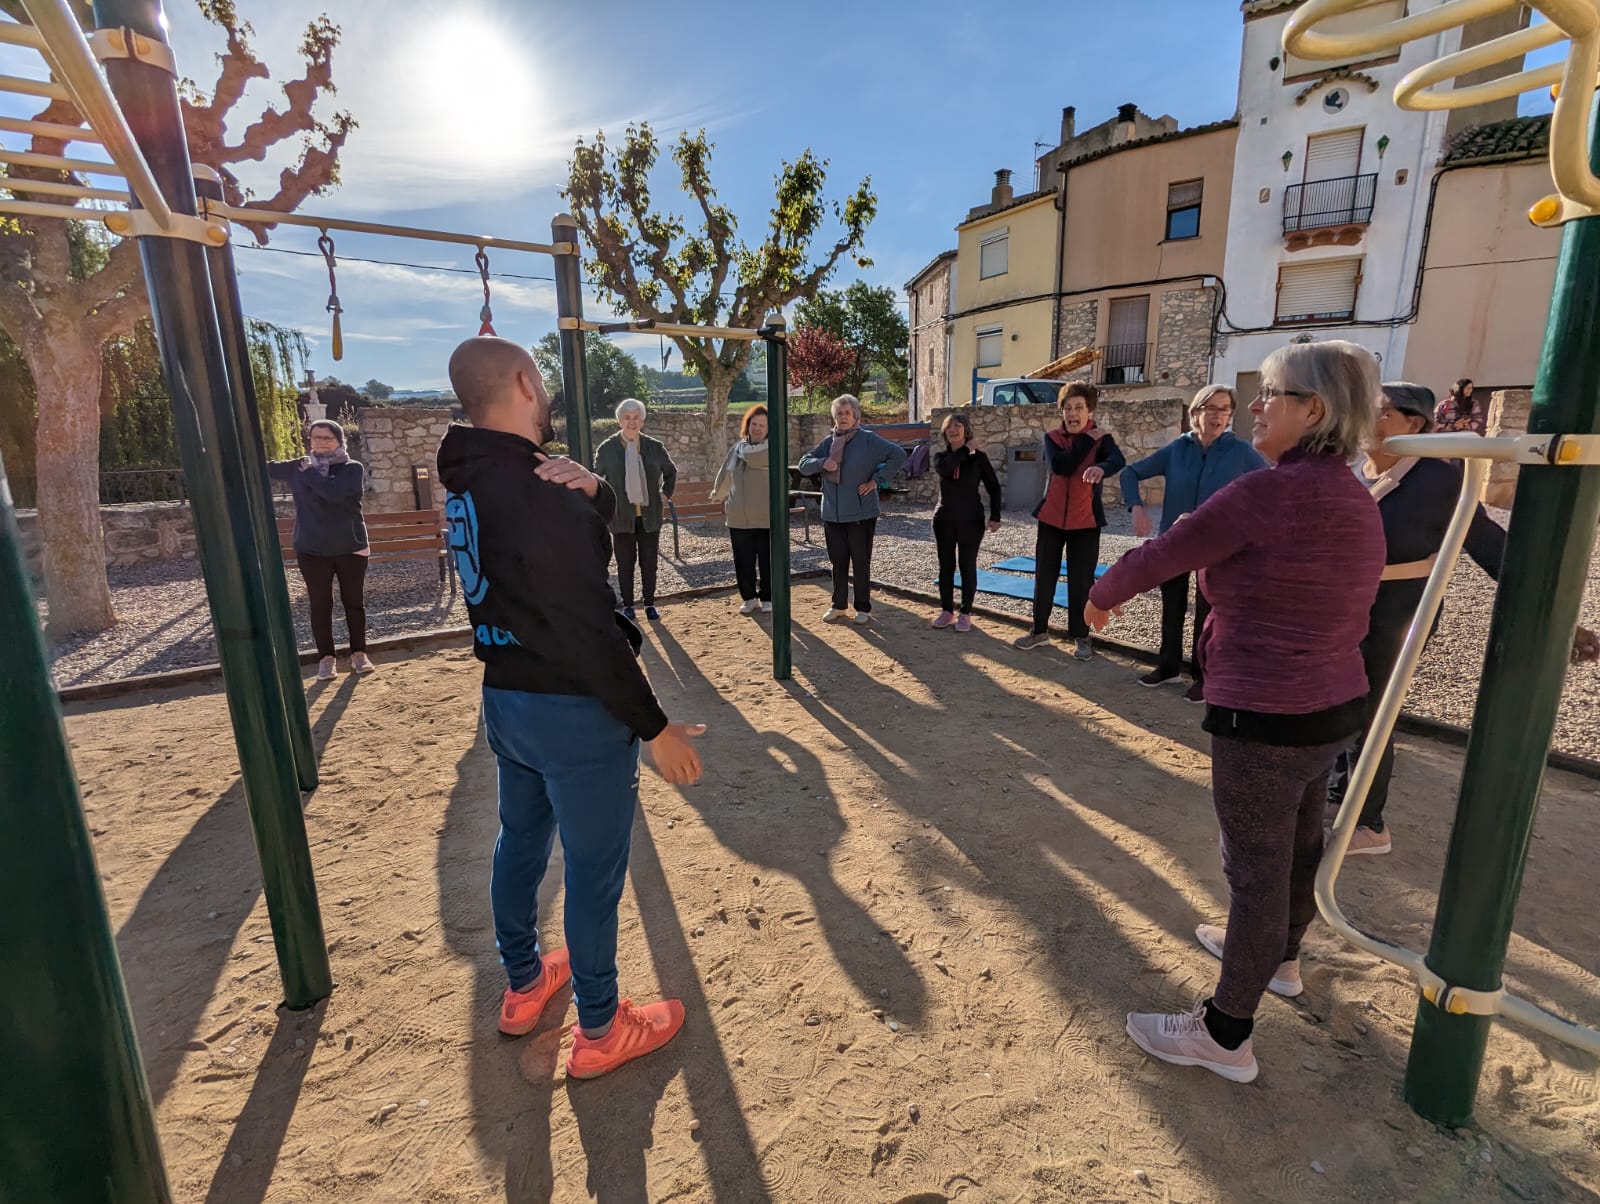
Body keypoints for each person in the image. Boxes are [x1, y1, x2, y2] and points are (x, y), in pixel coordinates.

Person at [1085, 340, 1387, 1084]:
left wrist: (1099, 596)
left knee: (1254, 871)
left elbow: (1172, 548)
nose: (1255, 404)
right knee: (1298, 849)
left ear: (1312, 410)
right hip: (1333, 705)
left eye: (1271, 392)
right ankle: (1280, 960)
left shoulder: (1268, 491)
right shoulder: (1355, 495)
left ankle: (1224, 1033)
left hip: (1266, 710)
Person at [436, 337, 705, 1079]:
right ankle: (598, 1028)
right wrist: (654, 726)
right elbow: (586, 621)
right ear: (525, 382)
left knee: (518, 842)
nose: (548, 396)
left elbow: (545, 566)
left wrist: (598, 493)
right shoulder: (535, 487)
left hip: (507, 698)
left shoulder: (471, 477)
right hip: (571, 710)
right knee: (592, 870)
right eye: (544, 382)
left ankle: (523, 984)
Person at [1325, 383, 1600, 856]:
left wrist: (1560, 618)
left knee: (1371, 711)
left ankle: (1369, 825)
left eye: (1381, 413)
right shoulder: (1354, 471)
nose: (1367, 420)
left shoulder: (1441, 480)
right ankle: (1342, 791)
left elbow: (1491, 548)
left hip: (1398, 614)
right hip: (1343, 611)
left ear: (1415, 424)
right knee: (1338, 703)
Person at [1120, 385, 1267, 700]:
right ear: (1195, 412)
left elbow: (1271, 486)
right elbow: (1130, 473)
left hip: (1217, 547)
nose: (1218, 416)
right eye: (1211, 408)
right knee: (1171, 607)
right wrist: (1135, 506)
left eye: (1225, 409)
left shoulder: (1240, 452)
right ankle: (1168, 667)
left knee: (1208, 612)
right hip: (1175, 543)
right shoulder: (1177, 449)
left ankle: (1203, 676)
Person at [1012, 381, 1126, 660]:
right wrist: (1087, 439)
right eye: (1068, 408)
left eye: (1079, 407)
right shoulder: (1052, 437)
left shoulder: (1103, 439)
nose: (1073, 413)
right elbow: (1060, 466)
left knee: (1081, 581)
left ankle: (1081, 636)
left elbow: (1118, 460)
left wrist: (1101, 466)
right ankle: (1039, 631)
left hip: (1085, 523)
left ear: (1089, 410)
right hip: (1050, 519)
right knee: (1045, 577)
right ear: (1062, 411)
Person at [269, 419, 374, 680]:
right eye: (316, 437)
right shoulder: (299, 466)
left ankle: (358, 654)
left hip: (350, 547)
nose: (321, 442)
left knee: (354, 603)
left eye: (327, 438)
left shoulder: (352, 468)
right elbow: (263, 469)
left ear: (339, 440)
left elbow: (334, 493)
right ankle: (326, 658)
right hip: (312, 548)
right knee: (320, 604)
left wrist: (310, 474)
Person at [796, 394, 908, 625]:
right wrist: (821, 463)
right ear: (834, 418)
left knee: (860, 561)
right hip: (832, 513)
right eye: (839, 413)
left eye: (847, 412)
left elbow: (898, 454)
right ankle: (838, 604)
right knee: (837, 561)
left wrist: (878, 480)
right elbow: (803, 464)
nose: (843, 417)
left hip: (860, 512)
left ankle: (863, 607)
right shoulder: (829, 442)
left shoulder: (868, 440)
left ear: (856, 415)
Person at [593, 399, 677, 622]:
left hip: (649, 517)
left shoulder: (654, 447)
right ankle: (629, 605)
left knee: (649, 563)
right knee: (625, 563)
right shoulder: (607, 449)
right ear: (620, 420)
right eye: (627, 417)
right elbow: (596, 480)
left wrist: (665, 493)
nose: (632, 422)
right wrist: (604, 505)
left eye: (636, 417)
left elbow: (671, 472)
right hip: (621, 518)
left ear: (642, 419)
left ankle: (649, 604)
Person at [930, 412, 1001, 632]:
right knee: (946, 566)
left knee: (967, 566)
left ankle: (966, 612)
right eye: (949, 426)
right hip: (944, 519)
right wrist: (964, 450)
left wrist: (995, 516)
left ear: (966, 429)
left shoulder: (979, 458)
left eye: (957, 425)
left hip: (971, 520)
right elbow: (947, 469)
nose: (953, 429)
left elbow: (994, 487)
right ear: (944, 432)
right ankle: (946, 610)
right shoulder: (941, 457)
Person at [711, 404, 773, 615]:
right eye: (754, 424)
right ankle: (749, 598)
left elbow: (757, 460)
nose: (757, 428)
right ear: (748, 425)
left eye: (762, 425)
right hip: (738, 516)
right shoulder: (737, 449)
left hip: (765, 517)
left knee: (767, 561)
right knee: (743, 562)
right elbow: (726, 474)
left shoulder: (772, 449)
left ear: (768, 428)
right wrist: (718, 494)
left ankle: (768, 598)